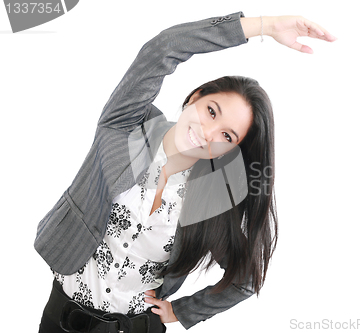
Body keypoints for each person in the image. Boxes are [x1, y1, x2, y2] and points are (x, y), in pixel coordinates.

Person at [35, 11, 336, 333]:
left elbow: (246, 278)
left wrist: (181, 311)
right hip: (62, 319)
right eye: (211, 112)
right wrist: (264, 26)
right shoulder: (124, 127)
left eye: (227, 135)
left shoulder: (211, 197)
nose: (208, 133)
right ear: (195, 97)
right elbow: (164, 48)